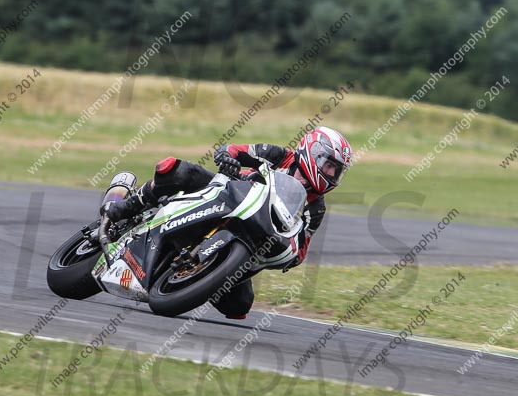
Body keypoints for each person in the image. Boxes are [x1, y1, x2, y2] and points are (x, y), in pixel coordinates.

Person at [101, 126, 352, 320]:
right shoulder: (279, 156)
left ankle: (194, 275)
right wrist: (228, 158)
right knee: (178, 170)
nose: (330, 174)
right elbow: (234, 150)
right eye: (329, 165)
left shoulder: (316, 207)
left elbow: (302, 247)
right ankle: (127, 206)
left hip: (252, 236)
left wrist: (291, 255)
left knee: (239, 308)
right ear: (312, 152)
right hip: (222, 194)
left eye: (336, 171)